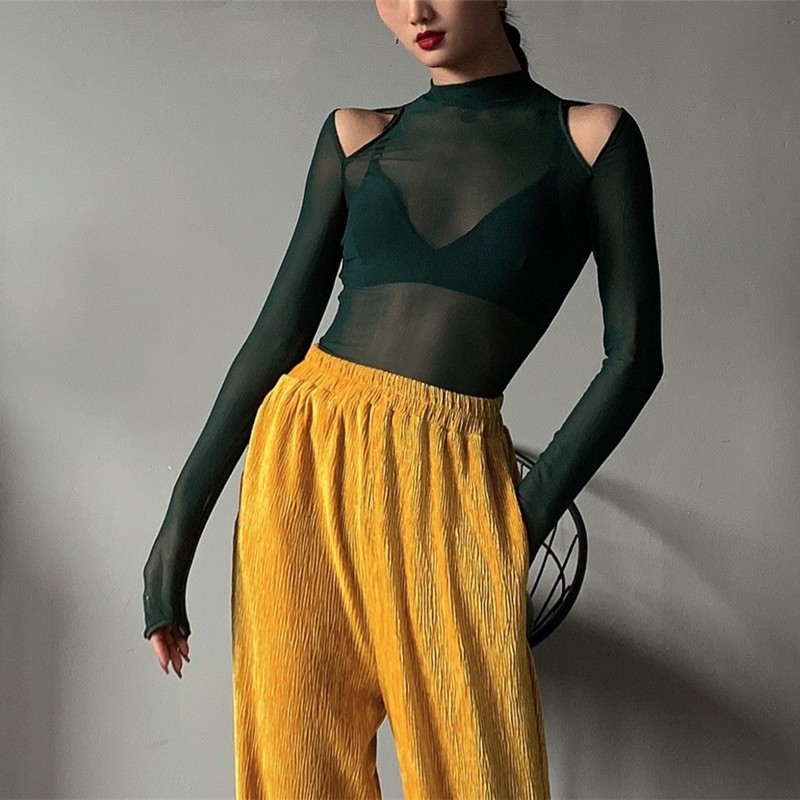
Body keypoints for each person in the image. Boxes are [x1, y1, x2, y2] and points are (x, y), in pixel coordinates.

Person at [142, 1, 664, 797]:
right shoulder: (357, 137)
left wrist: (523, 517)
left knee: (478, 776)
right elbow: (277, 339)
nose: (415, 10)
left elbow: (633, 358)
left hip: (451, 482)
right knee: (299, 776)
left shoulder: (593, 140)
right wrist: (175, 536)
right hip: (305, 463)